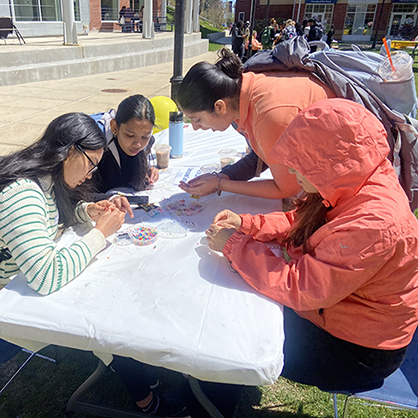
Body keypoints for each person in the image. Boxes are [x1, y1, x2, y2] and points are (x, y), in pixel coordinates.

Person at [205, 98, 418, 393]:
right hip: (339, 313)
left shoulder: (374, 222)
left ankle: (206, 400)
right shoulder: (353, 178)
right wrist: (247, 225)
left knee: (231, 332)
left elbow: (301, 288)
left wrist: (236, 246)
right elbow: (302, 220)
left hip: (357, 350)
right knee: (240, 301)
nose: (292, 172)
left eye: (300, 164)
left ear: (329, 163)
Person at [0, 113, 188, 416]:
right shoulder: (22, 195)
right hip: (9, 306)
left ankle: (142, 378)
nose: (90, 175)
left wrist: (89, 210)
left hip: (22, 286)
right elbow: (47, 276)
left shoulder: (46, 180)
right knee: (105, 315)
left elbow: (53, 215)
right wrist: (100, 234)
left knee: (108, 302)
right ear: (69, 151)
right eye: (90, 164)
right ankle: (147, 400)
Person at [177, 48, 334, 199]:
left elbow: (287, 188)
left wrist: (220, 184)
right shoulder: (240, 95)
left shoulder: (270, 114)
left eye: (197, 119)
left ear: (219, 107)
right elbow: (265, 155)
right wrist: (226, 176)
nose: (195, 127)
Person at [91, 94, 159, 194]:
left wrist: (146, 169)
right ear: (114, 127)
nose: (138, 144)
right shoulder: (95, 141)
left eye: (145, 136)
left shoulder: (148, 141)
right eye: (130, 135)